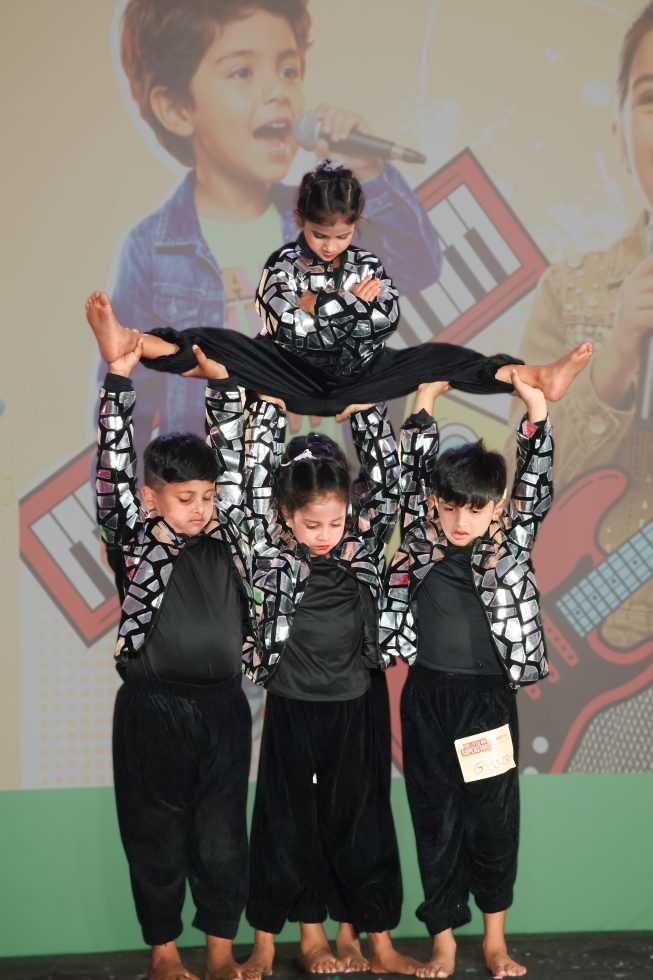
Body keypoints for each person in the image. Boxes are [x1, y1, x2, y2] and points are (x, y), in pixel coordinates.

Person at [110, 0, 442, 441]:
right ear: (177, 108)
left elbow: (419, 267)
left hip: (322, 474)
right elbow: (130, 391)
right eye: (242, 72)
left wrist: (366, 166)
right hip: (220, 474)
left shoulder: (320, 222)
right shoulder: (152, 248)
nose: (277, 92)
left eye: (288, 71)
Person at [88, 162, 592, 417]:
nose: (331, 247)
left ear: (355, 226)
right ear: (300, 220)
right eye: (320, 235)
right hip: (287, 375)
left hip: (358, 377)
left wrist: (323, 306)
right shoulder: (281, 265)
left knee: (444, 357)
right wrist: (350, 305)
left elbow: (384, 320)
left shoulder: (367, 263)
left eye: (342, 236)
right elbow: (295, 331)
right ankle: (128, 341)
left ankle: (537, 376)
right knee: (211, 342)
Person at [216, 375, 419, 975]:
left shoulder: (361, 546)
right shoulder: (271, 553)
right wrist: (265, 415)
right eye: (312, 526)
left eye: (335, 523)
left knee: (360, 820)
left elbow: (390, 489)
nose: (326, 536)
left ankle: (368, 938)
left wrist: (367, 414)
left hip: (356, 702)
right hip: (293, 704)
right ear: (287, 517)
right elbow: (240, 493)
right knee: (288, 822)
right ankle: (298, 938)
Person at [506, 1, 653, 771]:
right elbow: (520, 481)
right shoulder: (574, 291)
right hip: (602, 656)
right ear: (619, 134)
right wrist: (615, 360)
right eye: (651, 97)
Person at [94, 329, 259, 980]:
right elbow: (111, 472)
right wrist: (118, 381)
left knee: (221, 836)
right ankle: (163, 953)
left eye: (207, 497)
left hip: (222, 707)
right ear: (151, 498)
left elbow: (237, 460)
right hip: (152, 709)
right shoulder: (136, 543)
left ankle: (219, 952)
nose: (199, 509)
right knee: (155, 834)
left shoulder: (228, 538)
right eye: (185, 498)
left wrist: (222, 388)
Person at [380, 373, 555, 978]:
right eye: (451, 505)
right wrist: (425, 404)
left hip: (485, 703)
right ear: (436, 503)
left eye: (476, 508)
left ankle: (495, 940)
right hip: (428, 698)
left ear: (496, 508)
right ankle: (445, 941)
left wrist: (535, 409)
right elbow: (411, 477)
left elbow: (535, 485)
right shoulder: (421, 536)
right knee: (435, 818)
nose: (461, 519)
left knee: (491, 819)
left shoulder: (510, 543)